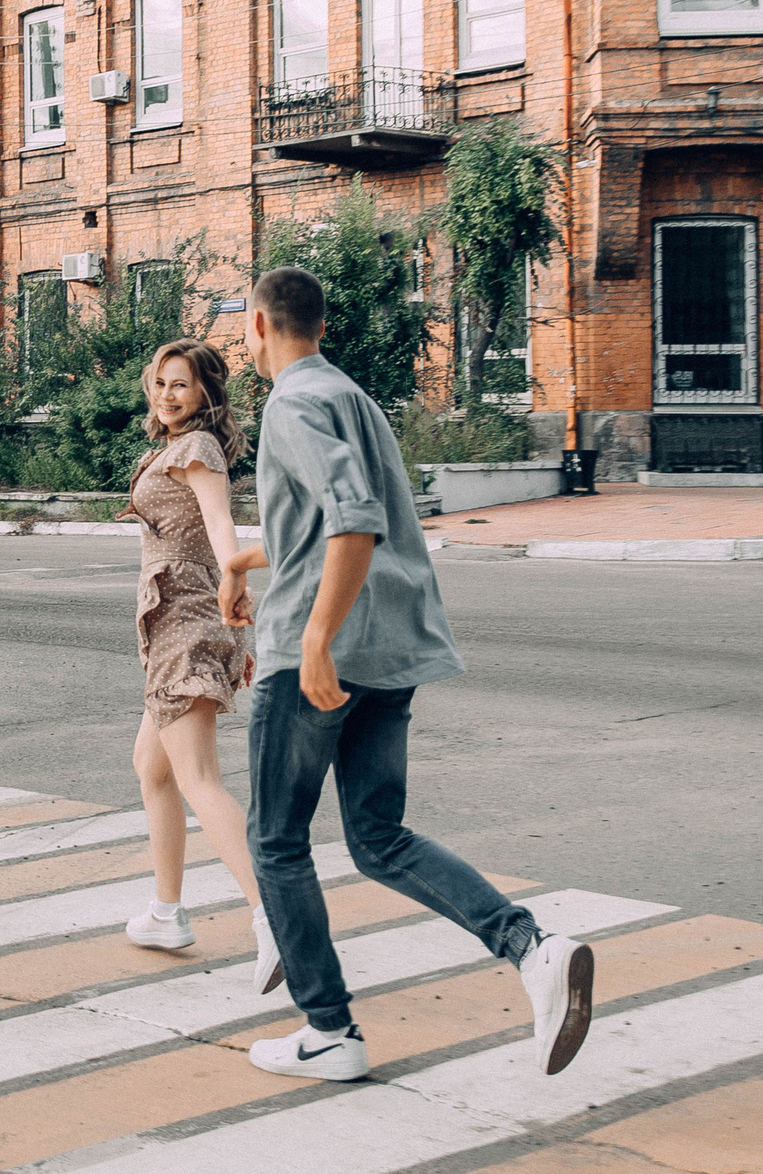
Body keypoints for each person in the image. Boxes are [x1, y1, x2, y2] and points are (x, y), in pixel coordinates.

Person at [218, 266, 593, 1083]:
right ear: (321, 325)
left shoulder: (289, 403)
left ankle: (329, 1029)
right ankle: (532, 948)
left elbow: (353, 523)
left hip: (319, 659)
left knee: (276, 839)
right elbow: (328, 525)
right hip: (391, 653)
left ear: (258, 326)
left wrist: (316, 636)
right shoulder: (351, 396)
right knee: (379, 837)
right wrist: (246, 560)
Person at [118, 339, 283, 996]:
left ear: (206, 391)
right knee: (151, 765)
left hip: (185, 620)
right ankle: (166, 913)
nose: (167, 394)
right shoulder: (174, 446)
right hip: (178, 620)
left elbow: (220, 528)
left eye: (181, 384)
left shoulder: (197, 449)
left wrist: (236, 591)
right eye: (161, 382)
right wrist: (231, 626)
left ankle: (276, 917)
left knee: (199, 778)